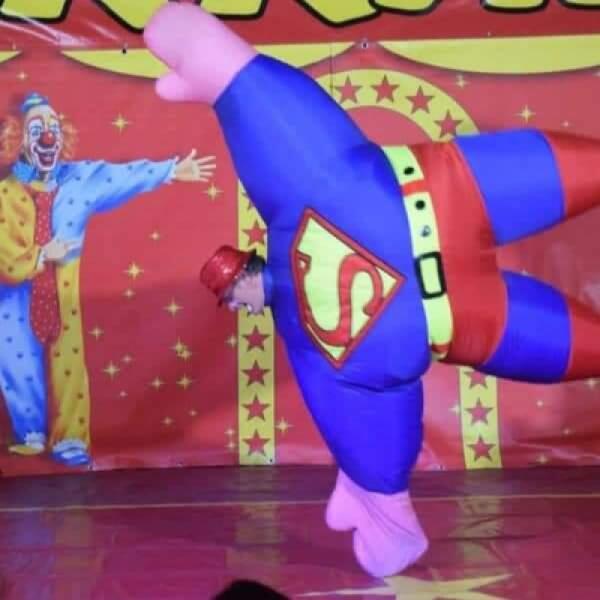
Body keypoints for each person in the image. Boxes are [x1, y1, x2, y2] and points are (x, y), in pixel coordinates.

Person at [145, 3, 600, 577]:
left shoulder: (298, 228)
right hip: (461, 290)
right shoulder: (305, 334)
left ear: (244, 274)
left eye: (232, 294)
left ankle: (381, 508)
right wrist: (371, 487)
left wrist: (226, 74)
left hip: (449, 202)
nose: (236, 306)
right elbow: (357, 412)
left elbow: (287, 138)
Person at [0, 92, 215, 466]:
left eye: (53, 128)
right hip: (16, 295)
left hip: (63, 290)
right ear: (19, 138)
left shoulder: (77, 179)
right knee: (16, 357)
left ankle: (70, 438)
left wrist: (169, 171)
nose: (47, 136)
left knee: (68, 361)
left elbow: (117, 176)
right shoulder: (5, 193)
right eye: (37, 129)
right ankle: (30, 431)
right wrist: (41, 255)